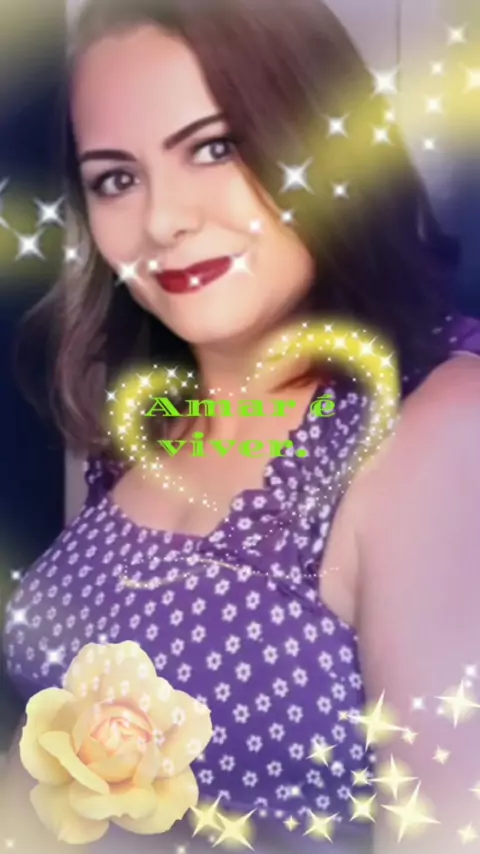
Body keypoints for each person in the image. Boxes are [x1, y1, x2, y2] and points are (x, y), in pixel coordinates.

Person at [2, 0, 480, 852]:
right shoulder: (152, 425)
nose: (163, 220)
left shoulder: (437, 431)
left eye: (214, 147)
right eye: (117, 178)